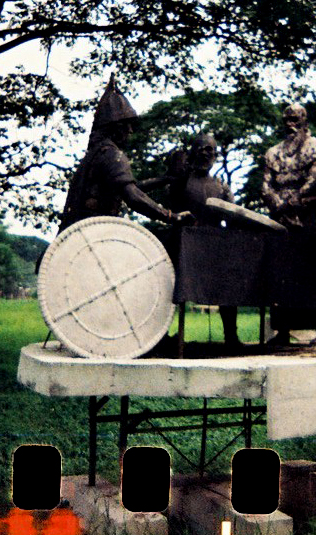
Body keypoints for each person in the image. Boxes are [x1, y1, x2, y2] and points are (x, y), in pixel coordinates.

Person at [59, 75, 191, 232]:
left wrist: (164, 179)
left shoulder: (97, 153)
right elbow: (133, 196)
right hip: (95, 232)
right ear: (115, 127)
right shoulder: (112, 155)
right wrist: (172, 217)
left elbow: (129, 187)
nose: (130, 130)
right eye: (126, 125)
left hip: (80, 229)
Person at [261, 103, 316, 345]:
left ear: (305, 121)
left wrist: (293, 201)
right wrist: (278, 204)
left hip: (310, 215)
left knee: (315, 271)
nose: (291, 124)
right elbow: (266, 184)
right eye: (287, 120)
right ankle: (282, 331)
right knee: (282, 274)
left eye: (296, 119)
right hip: (280, 218)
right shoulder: (273, 152)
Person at [167, 134, 245, 351]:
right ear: (192, 153)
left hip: (214, 245)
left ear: (216, 155)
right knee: (167, 286)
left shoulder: (221, 186)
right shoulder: (181, 182)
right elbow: (171, 205)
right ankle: (163, 335)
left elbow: (232, 213)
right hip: (185, 244)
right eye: (201, 148)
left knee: (228, 287)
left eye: (210, 150)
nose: (205, 153)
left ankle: (231, 336)